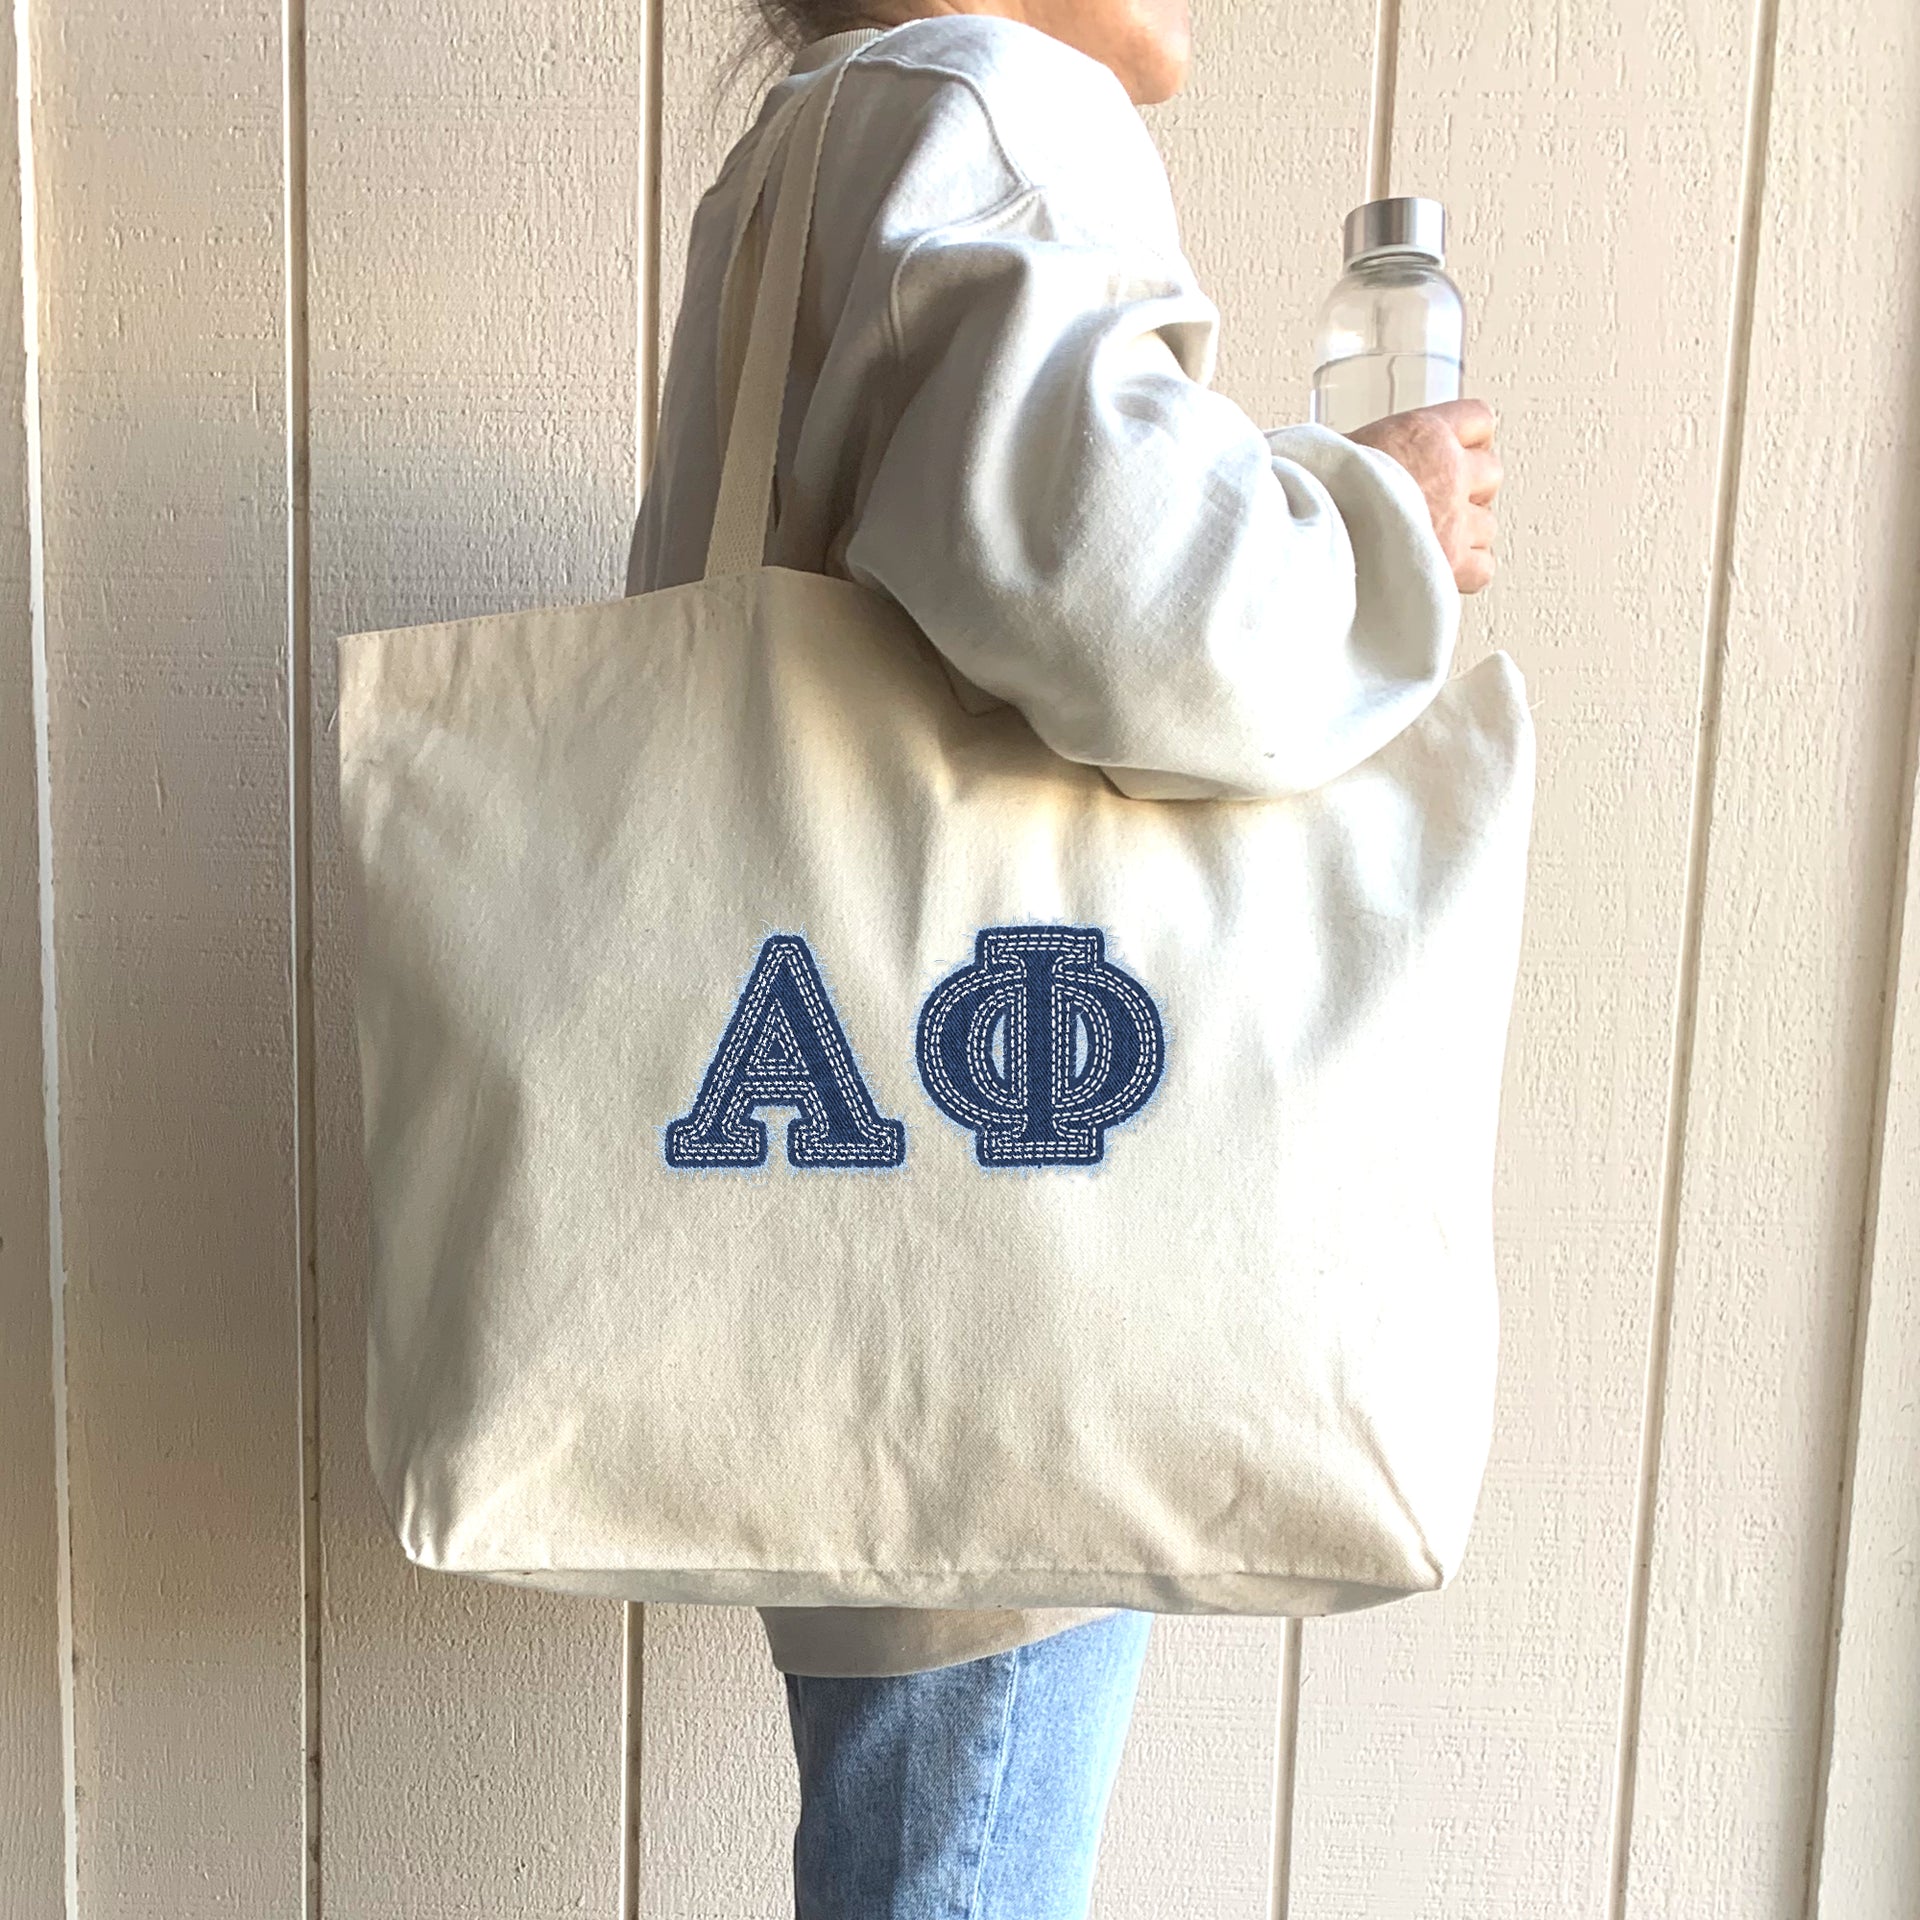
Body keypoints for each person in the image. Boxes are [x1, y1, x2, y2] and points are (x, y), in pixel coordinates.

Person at [626, 4, 1502, 1913]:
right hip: (1011, 1226)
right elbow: (1143, 615)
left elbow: (997, 542)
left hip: (853, 1184)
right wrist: (1385, 526)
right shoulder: (998, 107)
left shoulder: (814, 140)